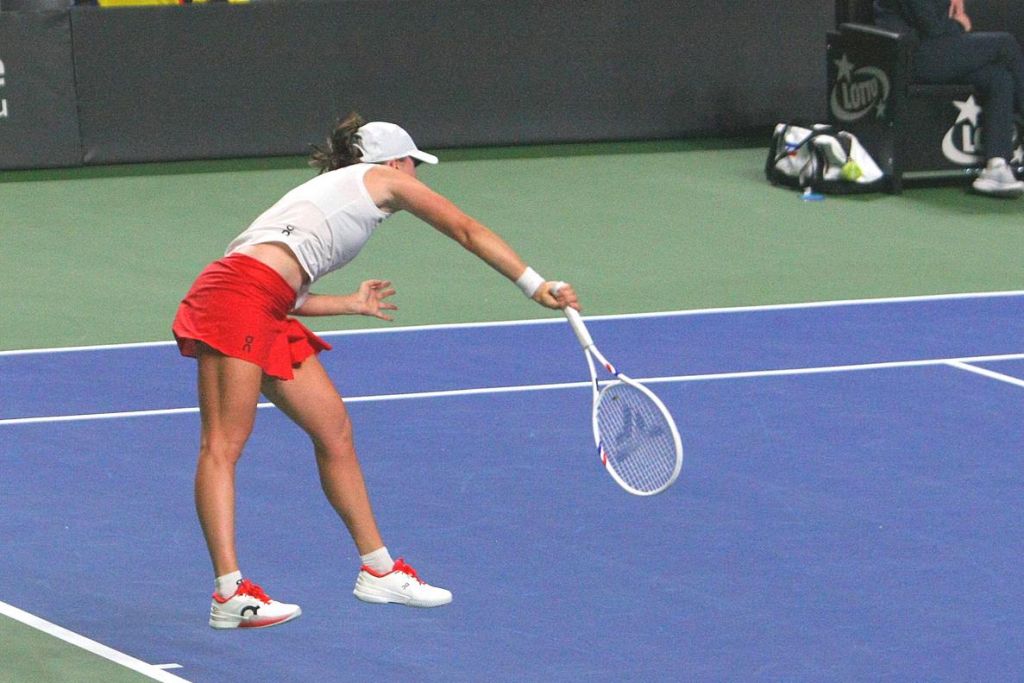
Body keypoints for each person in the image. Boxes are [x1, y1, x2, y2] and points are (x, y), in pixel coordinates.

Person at [171, 113, 580, 628]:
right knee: (223, 445)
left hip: (261, 301)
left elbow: (286, 290)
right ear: (395, 162)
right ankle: (230, 593)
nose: (416, 177)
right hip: (237, 298)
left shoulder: (322, 196)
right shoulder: (384, 180)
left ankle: (379, 570)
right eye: (414, 166)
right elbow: (466, 230)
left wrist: (350, 303)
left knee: (334, 429)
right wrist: (535, 285)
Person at [873, 0, 1024, 197]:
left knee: (999, 78)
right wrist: (960, 24)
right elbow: (934, 27)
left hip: (930, 50)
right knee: (1005, 44)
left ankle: (996, 166)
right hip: (911, 57)